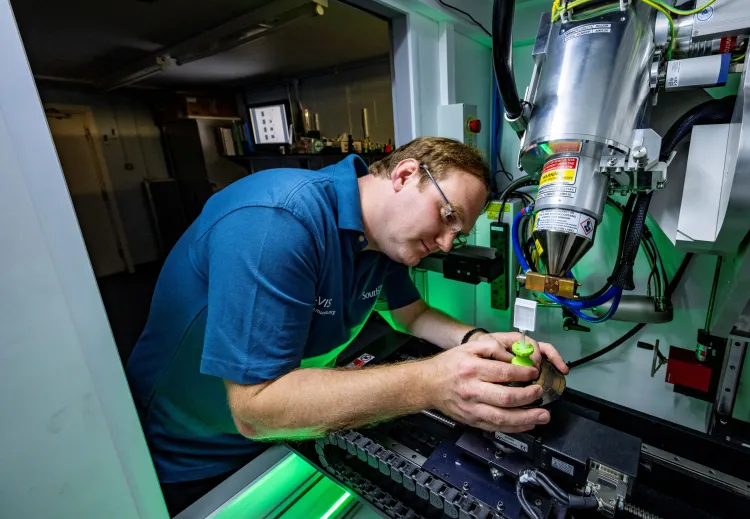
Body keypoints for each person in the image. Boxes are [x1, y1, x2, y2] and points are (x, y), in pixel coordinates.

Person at [125, 136, 568, 515]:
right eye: (448, 216)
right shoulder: (279, 220)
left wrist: (480, 341)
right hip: (191, 457)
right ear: (405, 175)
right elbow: (255, 409)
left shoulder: (381, 242)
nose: (447, 243)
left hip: (287, 437)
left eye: (460, 233)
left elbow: (411, 314)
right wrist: (432, 383)